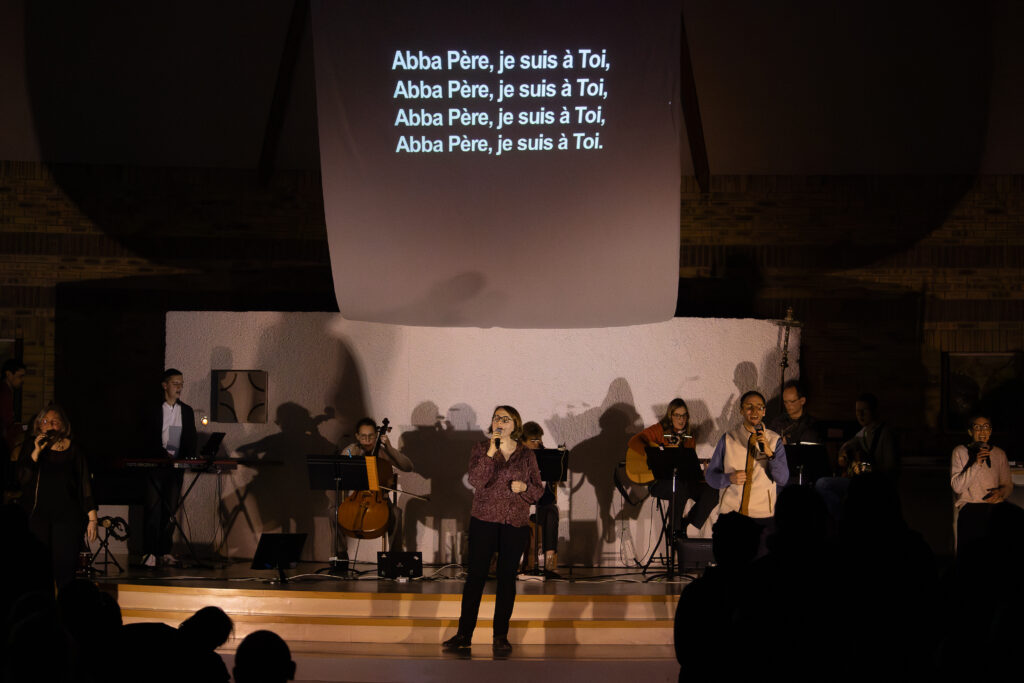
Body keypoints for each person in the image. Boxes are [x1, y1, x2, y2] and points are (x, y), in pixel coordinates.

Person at [443, 405, 543, 656]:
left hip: (514, 522)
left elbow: (538, 491)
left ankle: (500, 636)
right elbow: (476, 480)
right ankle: (464, 634)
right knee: (475, 577)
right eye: (496, 417)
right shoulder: (480, 448)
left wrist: (525, 489)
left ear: (515, 424)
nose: (500, 422)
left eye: (505, 419)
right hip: (484, 520)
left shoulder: (526, 454)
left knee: (506, 579)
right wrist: (490, 452)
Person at [16, 404, 98, 588]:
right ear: (39, 425)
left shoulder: (74, 450)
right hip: (38, 516)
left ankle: (65, 603)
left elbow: (84, 482)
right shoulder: (31, 445)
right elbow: (22, 478)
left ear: (63, 425)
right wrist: (36, 452)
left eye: (54, 422)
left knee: (65, 570)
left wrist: (92, 517)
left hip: (67, 517)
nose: (49, 425)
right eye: (45, 421)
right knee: (38, 569)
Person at [626, 398, 718, 536]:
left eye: (684, 415)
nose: (681, 419)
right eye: (677, 415)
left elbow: (687, 467)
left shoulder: (689, 437)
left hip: (683, 482)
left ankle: (684, 524)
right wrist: (653, 453)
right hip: (659, 482)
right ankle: (675, 529)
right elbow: (634, 442)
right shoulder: (658, 430)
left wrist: (703, 475)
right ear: (670, 416)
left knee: (712, 491)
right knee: (678, 487)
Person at [706, 391, 788, 528]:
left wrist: (770, 454)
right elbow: (710, 477)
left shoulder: (774, 440)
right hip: (730, 513)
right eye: (749, 407)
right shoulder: (728, 439)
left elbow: (782, 479)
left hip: (762, 515)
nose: (754, 411)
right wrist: (729, 478)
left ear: (764, 412)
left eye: (759, 407)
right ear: (741, 411)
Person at [142, 368, 197, 568]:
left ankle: (164, 551)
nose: (179, 387)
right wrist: (160, 453)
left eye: (181, 384)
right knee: (153, 509)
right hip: (156, 465)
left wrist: (189, 455)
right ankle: (149, 551)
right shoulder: (153, 409)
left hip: (175, 467)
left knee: (170, 510)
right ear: (165, 385)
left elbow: (190, 437)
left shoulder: (186, 411)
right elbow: (147, 436)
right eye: (175, 383)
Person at [950, 414, 1013, 553]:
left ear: (990, 431)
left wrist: (1001, 492)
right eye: (977, 427)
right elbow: (957, 487)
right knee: (971, 554)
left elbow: (1008, 485)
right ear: (970, 431)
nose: (982, 431)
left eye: (986, 427)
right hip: (970, 508)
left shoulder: (999, 454)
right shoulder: (960, 451)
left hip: (995, 509)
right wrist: (976, 464)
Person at [520, 421, 560, 577]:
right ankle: (520, 563)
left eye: (540, 440)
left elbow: (548, 495)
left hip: (539, 505)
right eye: (533, 440)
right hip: (519, 505)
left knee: (552, 511)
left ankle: (550, 563)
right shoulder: (517, 456)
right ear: (523, 441)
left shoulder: (545, 457)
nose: (538, 444)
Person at [849, 393, 898, 476]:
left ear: (874, 411)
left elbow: (891, 467)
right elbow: (849, 446)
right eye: (858, 411)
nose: (860, 414)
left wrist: (867, 468)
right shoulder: (861, 434)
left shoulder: (886, 434)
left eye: (864, 410)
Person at [767, 379, 821, 445]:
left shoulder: (811, 424)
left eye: (792, 402)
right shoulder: (778, 422)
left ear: (802, 401)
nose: (788, 405)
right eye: (785, 402)